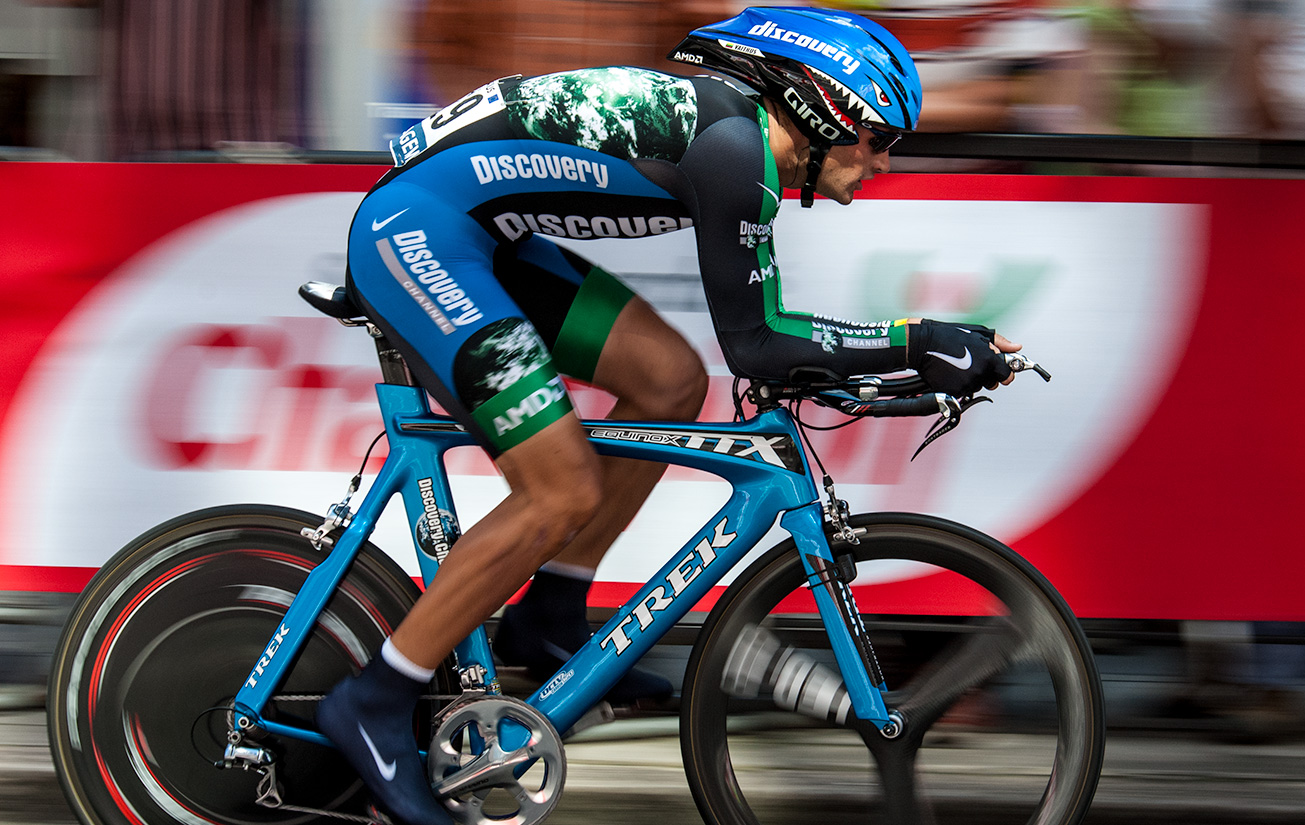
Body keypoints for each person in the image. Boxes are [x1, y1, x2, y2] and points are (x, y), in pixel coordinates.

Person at [315, 7, 1021, 825]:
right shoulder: (734, 150)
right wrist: (919, 338)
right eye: (877, 138)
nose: (883, 163)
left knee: (670, 379)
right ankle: (374, 698)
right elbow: (759, 344)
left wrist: (912, 346)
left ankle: (546, 619)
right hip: (421, 236)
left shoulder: (739, 138)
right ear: (826, 108)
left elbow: (752, 344)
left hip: (479, 234)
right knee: (560, 487)